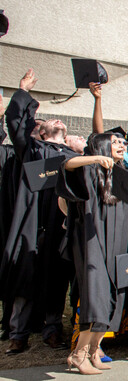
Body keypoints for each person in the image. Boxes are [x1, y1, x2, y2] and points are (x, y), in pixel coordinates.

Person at [1, 69, 78, 354]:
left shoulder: (74, 158)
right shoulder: (31, 151)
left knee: (56, 279)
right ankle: (18, 332)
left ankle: (52, 328)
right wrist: (23, 92)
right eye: (51, 120)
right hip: (32, 223)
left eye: (61, 122)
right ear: (42, 131)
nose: (58, 120)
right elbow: (16, 126)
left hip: (58, 224)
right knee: (25, 277)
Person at [57, 130, 128, 374]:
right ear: (103, 146)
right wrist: (94, 159)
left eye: (123, 142)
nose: (121, 144)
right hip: (92, 241)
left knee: (111, 300)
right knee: (95, 297)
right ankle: (78, 354)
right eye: (115, 141)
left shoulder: (122, 176)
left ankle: (95, 349)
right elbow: (67, 165)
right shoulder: (89, 169)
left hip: (116, 246)